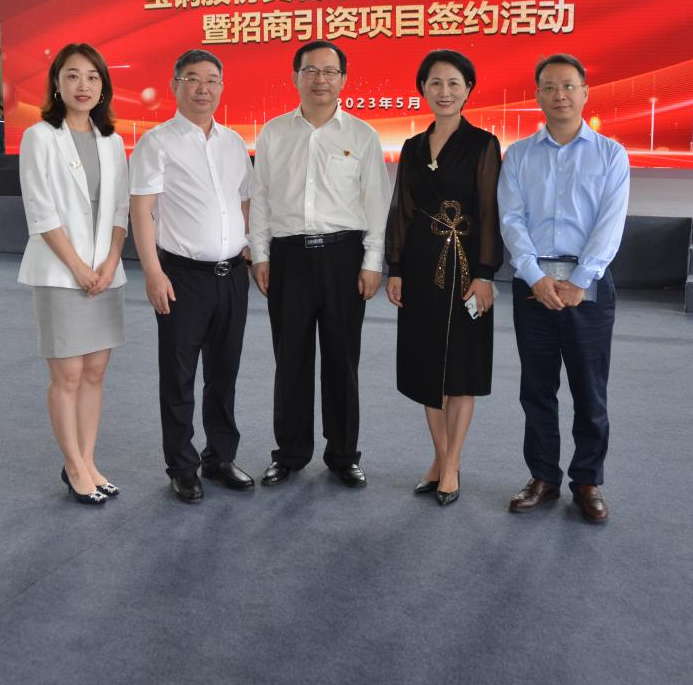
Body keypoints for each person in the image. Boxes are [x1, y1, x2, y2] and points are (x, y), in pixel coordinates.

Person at [248, 40, 391, 489]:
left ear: (344, 80)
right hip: (287, 257)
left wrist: (372, 261)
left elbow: (376, 204)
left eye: (330, 71)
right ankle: (289, 454)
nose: (320, 79)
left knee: (342, 361)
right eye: (311, 70)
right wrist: (261, 254)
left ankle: (343, 455)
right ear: (295, 77)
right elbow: (260, 198)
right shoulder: (273, 133)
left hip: (344, 257)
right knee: (290, 360)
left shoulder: (362, 135)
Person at [497, 53, 630, 523]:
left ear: (585, 92)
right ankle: (543, 477)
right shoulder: (518, 155)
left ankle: (588, 480)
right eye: (550, 87)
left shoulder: (610, 154)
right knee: (536, 388)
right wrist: (534, 277)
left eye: (569, 86)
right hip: (533, 286)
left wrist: (579, 281)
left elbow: (610, 224)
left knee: (589, 390)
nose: (560, 95)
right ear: (537, 95)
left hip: (586, 286)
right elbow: (511, 221)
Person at [129, 50, 255, 504]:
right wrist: (153, 272)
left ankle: (219, 457)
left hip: (232, 276)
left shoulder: (234, 142)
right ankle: (182, 467)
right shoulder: (156, 143)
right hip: (181, 277)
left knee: (224, 373)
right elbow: (141, 211)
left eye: (212, 80)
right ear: (175, 85)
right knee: (179, 376)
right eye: (193, 79)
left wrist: (248, 245)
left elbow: (244, 200)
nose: (204, 88)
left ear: (222, 86)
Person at [385, 50, 501, 507]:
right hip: (420, 269)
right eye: (435, 83)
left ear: (468, 89)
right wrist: (396, 268)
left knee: (462, 370)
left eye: (454, 83)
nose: (445, 91)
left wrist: (486, 274)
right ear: (423, 89)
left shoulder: (483, 144)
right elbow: (403, 211)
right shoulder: (413, 147)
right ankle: (438, 458)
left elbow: (490, 212)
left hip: (468, 269)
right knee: (426, 366)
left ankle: (451, 464)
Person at [17, 42, 130, 507]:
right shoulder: (40, 136)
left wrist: (109, 262)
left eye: (92, 77)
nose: (83, 85)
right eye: (72, 75)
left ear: (103, 86)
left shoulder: (113, 140)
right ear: (57, 84)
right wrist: (80, 268)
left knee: (95, 373)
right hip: (60, 273)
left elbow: (120, 209)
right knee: (67, 375)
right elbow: (40, 212)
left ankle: (88, 461)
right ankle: (73, 466)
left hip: (105, 273)